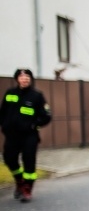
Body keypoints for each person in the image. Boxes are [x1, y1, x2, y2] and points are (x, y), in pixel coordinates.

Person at [1, 68, 51, 202]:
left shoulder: (37, 96)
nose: (25, 79)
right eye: (22, 77)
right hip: (12, 135)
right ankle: (19, 180)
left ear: (30, 80)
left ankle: (27, 189)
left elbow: (46, 116)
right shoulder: (10, 93)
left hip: (29, 136)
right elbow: (3, 112)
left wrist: (34, 125)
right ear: (17, 79)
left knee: (29, 161)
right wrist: (4, 125)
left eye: (27, 77)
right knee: (9, 158)